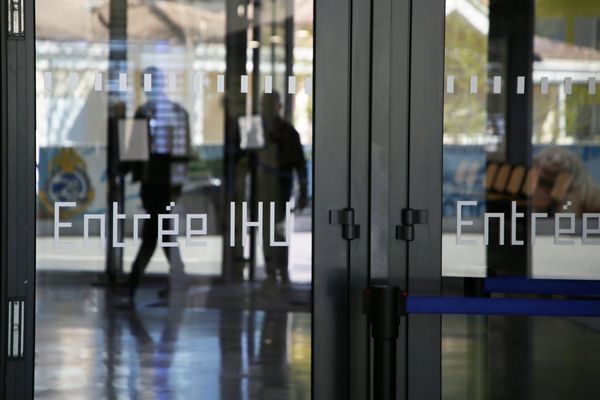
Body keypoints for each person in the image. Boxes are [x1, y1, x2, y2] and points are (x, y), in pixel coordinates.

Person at [126, 66, 191, 301]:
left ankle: (133, 285)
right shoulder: (149, 113)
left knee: (154, 235)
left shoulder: (167, 112)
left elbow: (181, 151)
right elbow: (135, 150)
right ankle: (178, 278)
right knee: (161, 233)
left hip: (160, 185)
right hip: (157, 185)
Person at [254, 92, 308, 286]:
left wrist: (303, 191)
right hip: (261, 188)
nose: (266, 107)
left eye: (270, 103)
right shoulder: (255, 129)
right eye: (263, 103)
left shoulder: (288, 132)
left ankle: (281, 269)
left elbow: (300, 165)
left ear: (279, 106)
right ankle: (270, 270)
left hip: (281, 189)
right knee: (265, 229)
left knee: (278, 230)